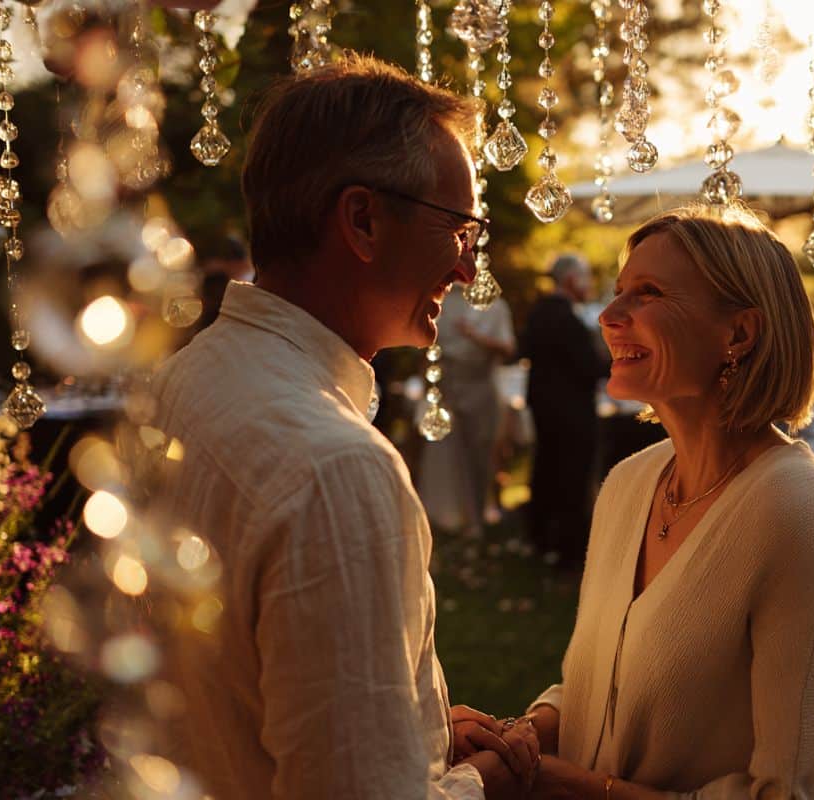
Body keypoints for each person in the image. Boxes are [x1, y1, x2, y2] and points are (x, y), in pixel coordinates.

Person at [147, 55, 537, 799]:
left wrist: (415, 729)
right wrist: (485, 777)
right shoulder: (336, 469)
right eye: (458, 229)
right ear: (362, 220)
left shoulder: (182, 383)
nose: (466, 269)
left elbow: (238, 693)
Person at [517, 205, 814, 798]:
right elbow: (605, 686)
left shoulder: (798, 512)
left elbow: (812, 788)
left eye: (648, 293)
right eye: (617, 292)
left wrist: (565, 785)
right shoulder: (627, 486)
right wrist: (523, 736)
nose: (609, 317)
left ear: (738, 334)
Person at [519, 254, 609, 567]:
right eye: (586, 277)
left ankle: (541, 538)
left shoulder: (538, 312)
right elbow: (589, 367)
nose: (589, 285)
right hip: (572, 412)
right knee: (573, 476)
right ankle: (570, 550)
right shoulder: (568, 319)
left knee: (546, 469)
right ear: (571, 280)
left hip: (544, 409)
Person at [416, 285, 516, 536]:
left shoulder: (495, 306)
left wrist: (474, 336)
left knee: (481, 452)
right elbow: (428, 352)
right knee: (450, 453)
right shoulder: (442, 302)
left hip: (481, 389)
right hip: (449, 389)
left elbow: (508, 348)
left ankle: (478, 517)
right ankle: (453, 516)